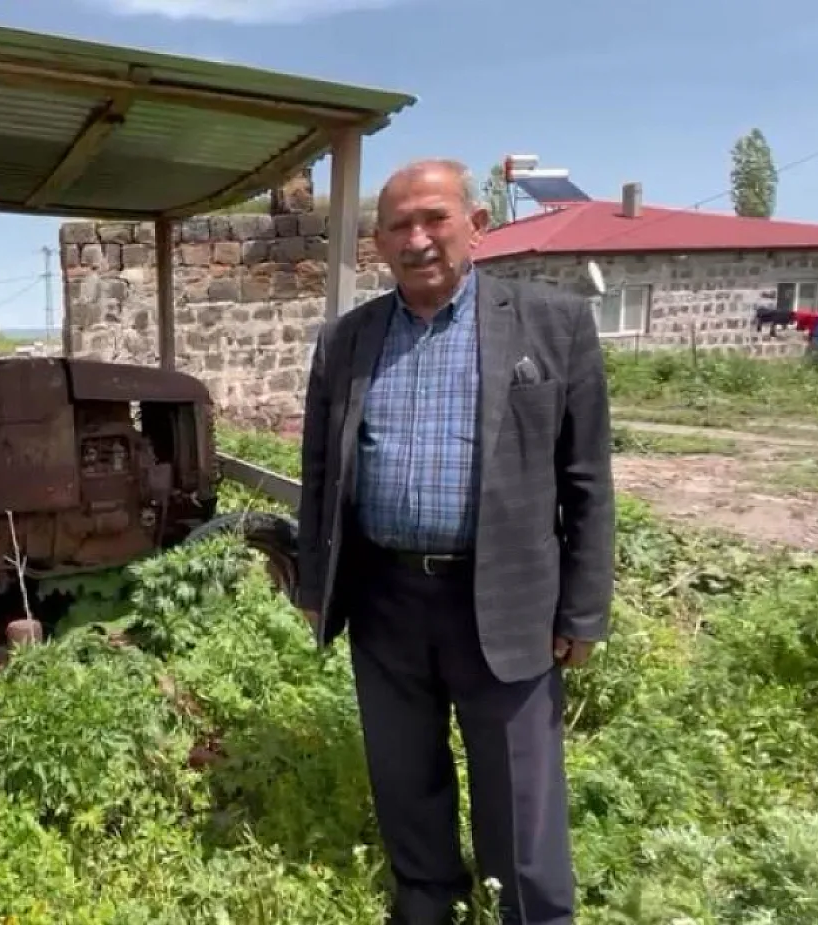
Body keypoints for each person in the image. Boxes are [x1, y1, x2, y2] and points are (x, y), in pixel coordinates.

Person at [294, 159, 615, 925]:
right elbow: (317, 474)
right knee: (405, 777)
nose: (418, 238)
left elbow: (588, 479)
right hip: (385, 599)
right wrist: (317, 587)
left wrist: (583, 610)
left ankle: (532, 914)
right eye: (399, 224)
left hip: (506, 597)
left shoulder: (552, 324)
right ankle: (427, 902)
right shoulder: (348, 340)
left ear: (476, 226)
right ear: (378, 244)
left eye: (435, 218)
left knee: (520, 794)